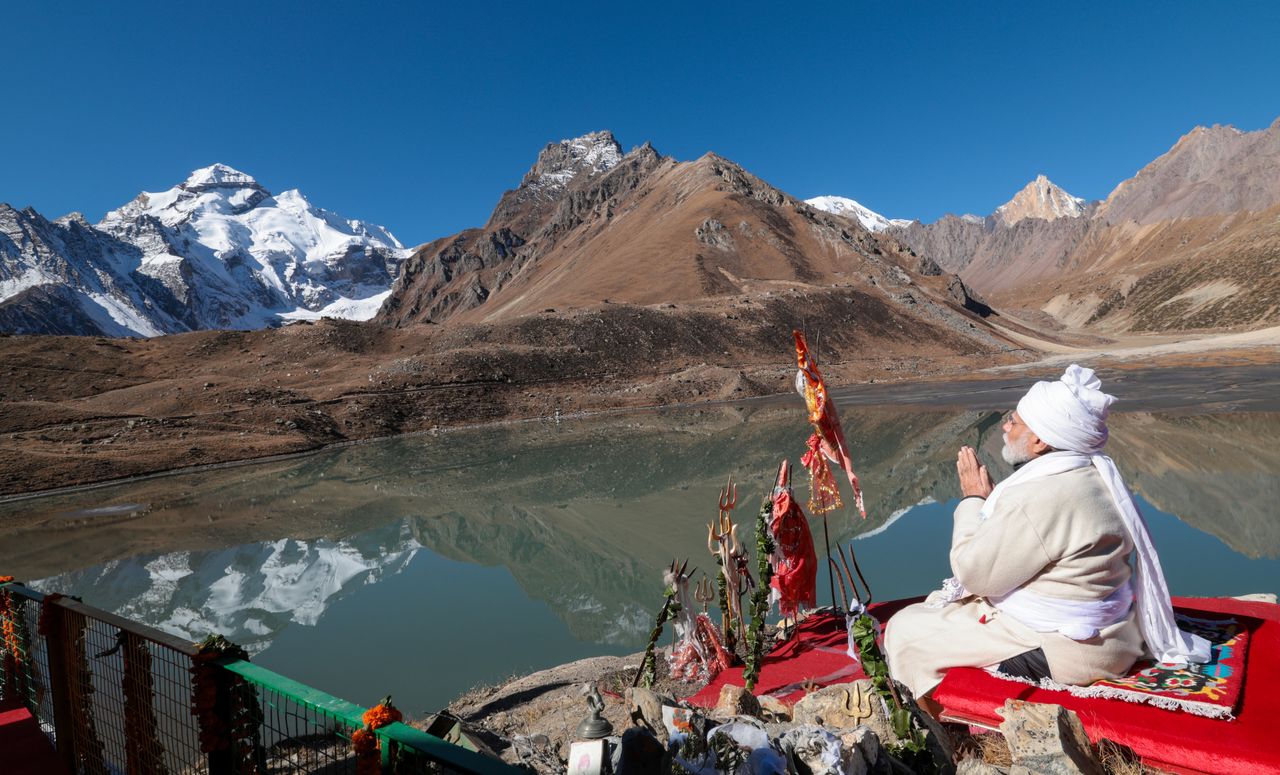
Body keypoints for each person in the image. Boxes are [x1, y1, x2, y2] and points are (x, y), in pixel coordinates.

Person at [883, 364, 1210, 713]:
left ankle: (930, 725)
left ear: (1039, 441)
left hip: (1064, 651)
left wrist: (973, 499)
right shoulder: (1094, 474)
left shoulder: (1041, 495)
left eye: (1014, 422)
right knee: (938, 608)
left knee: (904, 630)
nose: (1005, 427)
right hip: (1116, 638)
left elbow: (974, 574)